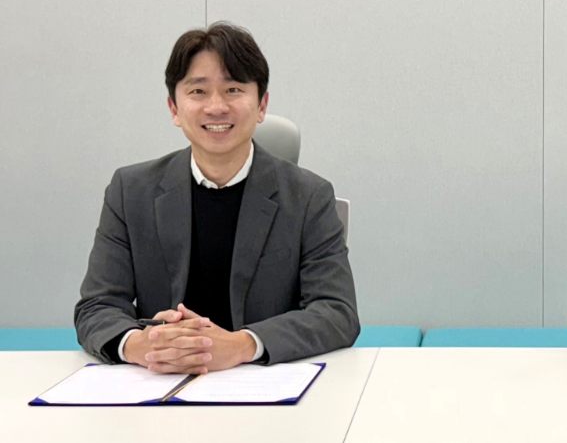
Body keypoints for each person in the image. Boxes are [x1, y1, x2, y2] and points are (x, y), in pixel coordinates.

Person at [75, 22, 359, 374]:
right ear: (174, 108)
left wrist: (243, 345)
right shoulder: (130, 191)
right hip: (159, 384)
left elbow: (336, 312)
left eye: (233, 89)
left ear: (261, 105)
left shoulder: (309, 197)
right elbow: (97, 306)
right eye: (198, 91)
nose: (216, 106)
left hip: (263, 384)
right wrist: (142, 345)